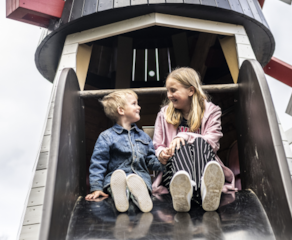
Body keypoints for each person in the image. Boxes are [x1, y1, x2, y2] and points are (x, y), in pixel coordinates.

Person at [152, 68, 237, 212]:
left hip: (204, 167)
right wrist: (161, 153)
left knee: (198, 142)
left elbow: (213, 142)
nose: (169, 95)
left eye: (173, 90)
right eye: (167, 91)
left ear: (191, 90)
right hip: (174, 174)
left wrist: (184, 136)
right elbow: (157, 144)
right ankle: (193, 191)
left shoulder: (211, 111)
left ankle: (196, 191)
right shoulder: (164, 114)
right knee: (181, 146)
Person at [86, 90, 165, 213]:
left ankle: (137, 197)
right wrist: (96, 188)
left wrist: (163, 161)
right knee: (119, 182)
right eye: (134, 104)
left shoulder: (143, 137)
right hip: (116, 179)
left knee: (139, 184)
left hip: (140, 179)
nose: (139, 107)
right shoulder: (107, 136)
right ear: (121, 110)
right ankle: (122, 195)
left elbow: (150, 160)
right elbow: (98, 163)